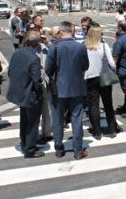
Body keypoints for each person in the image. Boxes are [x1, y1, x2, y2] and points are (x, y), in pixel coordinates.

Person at [46, 21, 90, 160]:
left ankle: (59, 149)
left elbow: (48, 69)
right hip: (77, 87)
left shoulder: (54, 47)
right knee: (76, 119)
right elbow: (85, 66)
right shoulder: (80, 47)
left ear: (61, 31)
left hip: (58, 88)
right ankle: (78, 150)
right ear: (72, 31)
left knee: (58, 120)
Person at [6, 31, 45, 158]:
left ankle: (24, 143)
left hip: (19, 93)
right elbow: (37, 80)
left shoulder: (17, 53)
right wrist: (39, 93)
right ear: (37, 44)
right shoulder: (34, 58)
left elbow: (10, 72)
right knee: (33, 123)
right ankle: (30, 149)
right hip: (30, 94)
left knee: (24, 120)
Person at [84, 25, 118, 139]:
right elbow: (111, 63)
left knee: (93, 105)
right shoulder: (103, 46)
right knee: (108, 103)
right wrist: (116, 70)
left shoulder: (84, 46)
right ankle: (112, 129)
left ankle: (97, 132)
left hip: (90, 78)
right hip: (103, 76)